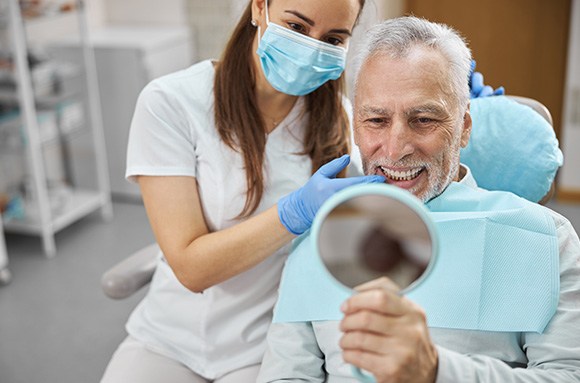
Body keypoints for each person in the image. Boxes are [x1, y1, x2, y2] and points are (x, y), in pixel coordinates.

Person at [257, 16, 580, 383]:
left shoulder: (545, 240)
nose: (395, 150)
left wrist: (436, 371)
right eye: (376, 120)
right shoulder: (317, 241)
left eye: (423, 120)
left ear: (464, 128)